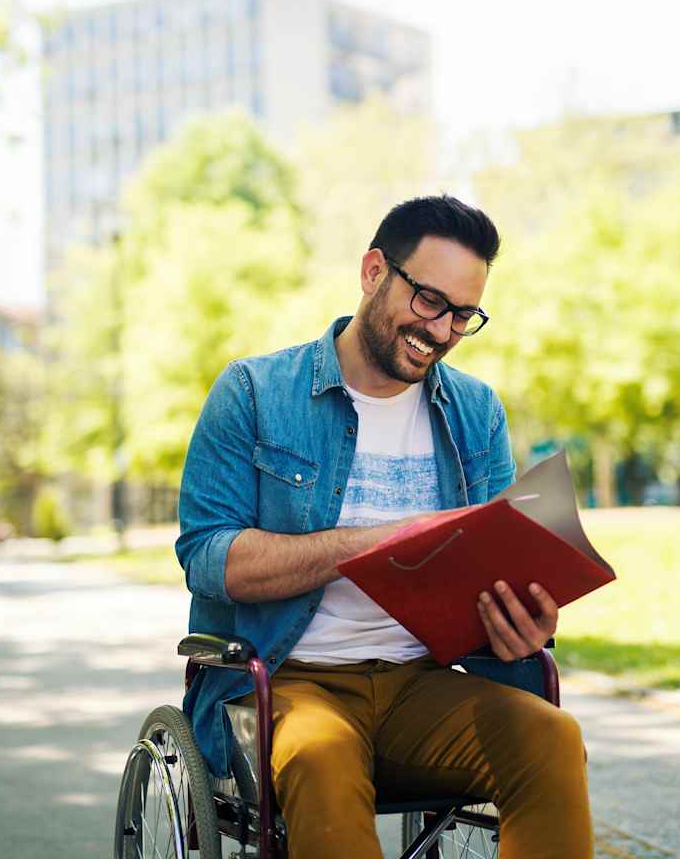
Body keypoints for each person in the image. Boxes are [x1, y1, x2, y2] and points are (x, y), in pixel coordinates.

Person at [177, 195, 592, 858]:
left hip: (419, 685)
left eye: (463, 315)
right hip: (287, 680)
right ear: (374, 272)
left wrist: (524, 623)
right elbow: (209, 557)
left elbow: (491, 570)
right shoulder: (254, 394)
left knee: (551, 739)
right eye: (429, 301)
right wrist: (374, 544)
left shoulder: (475, 412)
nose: (442, 330)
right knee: (322, 755)